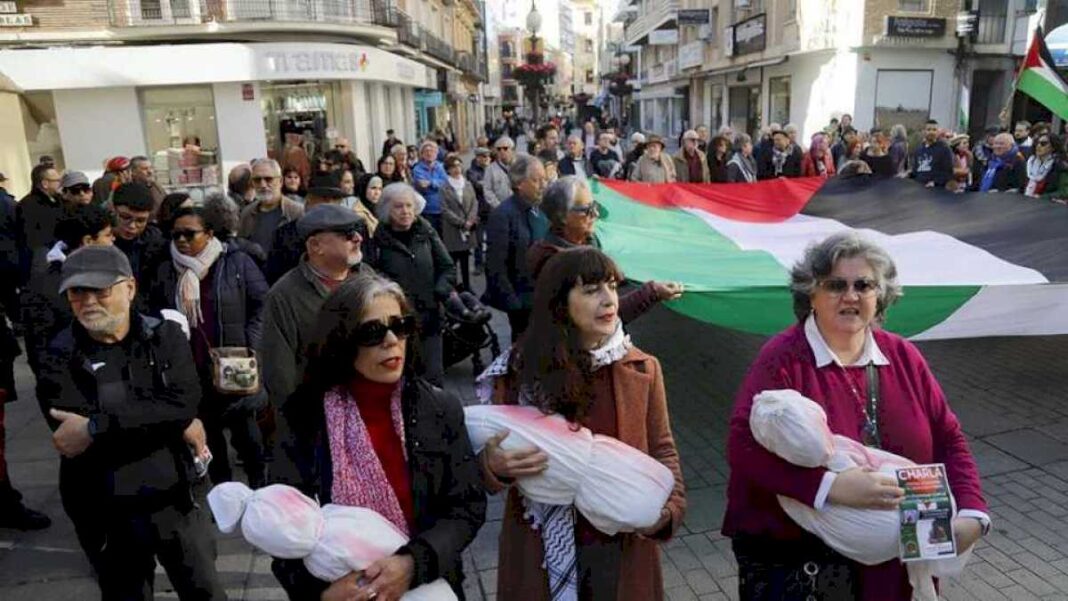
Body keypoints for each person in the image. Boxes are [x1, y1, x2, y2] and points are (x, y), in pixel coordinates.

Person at [723, 232, 989, 600]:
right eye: (835, 285)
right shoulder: (783, 359)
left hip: (898, 564)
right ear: (810, 295)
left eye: (863, 284)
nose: (850, 296)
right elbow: (741, 447)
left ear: (879, 296)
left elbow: (949, 437)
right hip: (806, 567)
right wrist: (829, 488)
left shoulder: (904, 356)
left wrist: (973, 514)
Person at [479, 246, 686, 601]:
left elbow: (662, 449)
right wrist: (492, 466)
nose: (609, 300)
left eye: (611, 286)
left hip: (621, 546)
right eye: (591, 291)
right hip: (541, 546)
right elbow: (482, 455)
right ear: (560, 303)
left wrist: (667, 513)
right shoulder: (519, 372)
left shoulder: (643, 368)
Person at [270, 274, 485, 599]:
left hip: (429, 586)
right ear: (341, 340)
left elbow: (466, 507)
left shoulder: (438, 408)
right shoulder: (303, 416)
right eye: (372, 332)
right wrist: (320, 594)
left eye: (400, 326)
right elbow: (281, 524)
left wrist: (412, 564)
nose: (391, 340)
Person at [37, 245, 226, 599]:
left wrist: (96, 426)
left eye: (101, 290)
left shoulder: (164, 336)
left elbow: (184, 402)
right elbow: (68, 434)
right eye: (78, 292)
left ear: (130, 288)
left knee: (205, 591)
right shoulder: (58, 353)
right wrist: (167, 418)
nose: (88, 301)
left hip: (177, 500)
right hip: (106, 510)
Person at [150, 205, 270, 488]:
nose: (181, 241)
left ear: (209, 233)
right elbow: (155, 311)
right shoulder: (166, 268)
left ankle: (259, 490)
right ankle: (223, 493)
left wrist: (251, 346)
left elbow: (262, 304)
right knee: (208, 433)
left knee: (246, 430)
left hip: (233, 361)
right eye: (176, 234)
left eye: (189, 234)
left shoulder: (236, 261)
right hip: (190, 365)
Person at [258, 205, 371, 481]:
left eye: (357, 231)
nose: (357, 238)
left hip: (369, 414)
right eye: (346, 234)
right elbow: (280, 375)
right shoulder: (284, 295)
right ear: (315, 245)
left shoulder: (370, 280)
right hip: (317, 427)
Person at [527, 176, 683, 322]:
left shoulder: (589, 242)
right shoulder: (555, 262)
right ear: (562, 216)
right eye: (586, 210)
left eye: (595, 206)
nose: (595, 214)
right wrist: (652, 292)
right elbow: (605, 315)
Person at [370, 183, 456, 385]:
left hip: (430, 318)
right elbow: (372, 279)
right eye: (398, 207)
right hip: (397, 325)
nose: (405, 211)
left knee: (433, 377)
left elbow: (448, 267)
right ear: (386, 211)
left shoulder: (426, 232)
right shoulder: (379, 241)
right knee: (404, 379)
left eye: (409, 206)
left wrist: (438, 292)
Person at [21, 204, 115, 378]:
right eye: (108, 235)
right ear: (88, 241)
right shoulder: (45, 288)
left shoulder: (112, 273)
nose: (113, 241)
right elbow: (40, 352)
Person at [485, 154, 549, 342]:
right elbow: (496, 266)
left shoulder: (543, 210)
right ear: (520, 184)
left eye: (544, 179)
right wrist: (514, 304)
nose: (543, 184)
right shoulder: (503, 215)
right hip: (522, 302)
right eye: (537, 180)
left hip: (546, 296)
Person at [265, 172, 359, 285]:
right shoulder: (284, 235)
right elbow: (274, 278)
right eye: (324, 199)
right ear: (308, 200)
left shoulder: (353, 232)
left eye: (335, 199)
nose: (329, 205)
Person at [112, 183, 167, 303]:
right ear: (113, 210)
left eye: (140, 220)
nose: (132, 226)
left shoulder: (155, 242)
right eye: (125, 217)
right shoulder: (97, 239)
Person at [239, 158, 305, 254]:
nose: (263, 185)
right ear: (252, 183)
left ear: (281, 181)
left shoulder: (297, 212)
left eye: (268, 179)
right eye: (257, 180)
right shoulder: (246, 214)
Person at [441, 156, 479, 292]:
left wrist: (470, 220)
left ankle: (467, 286)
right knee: (453, 260)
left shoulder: (467, 184)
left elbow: (475, 202)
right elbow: (445, 210)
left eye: (458, 165)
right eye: (452, 167)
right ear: (448, 170)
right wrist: (462, 223)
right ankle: (455, 287)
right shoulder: (444, 187)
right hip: (453, 229)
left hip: (468, 228)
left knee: (466, 258)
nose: (456, 169)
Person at [411, 140, 448, 234]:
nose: (429, 153)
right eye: (426, 151)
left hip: (443, 208)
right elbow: (422, 186)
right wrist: (437, 183)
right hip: (427, 209)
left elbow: (446, 183)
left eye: (432, 151)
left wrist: (431, 183)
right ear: (422, 154)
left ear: (436, 153)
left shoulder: (441, 167)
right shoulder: (417, 169)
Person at [909, 120, 954, 189]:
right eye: (929, 129)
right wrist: (908, 174)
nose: (931, 132)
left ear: (938, 132)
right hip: (919, 190)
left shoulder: (944, 149)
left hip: (936, 192)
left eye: (934, 130)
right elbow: (915, 171)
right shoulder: (918, 150)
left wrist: (935, 182)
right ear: (924, 131)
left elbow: (948, 173)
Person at [483, 135, 516, 210]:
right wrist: (500, 206)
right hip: (499, 209)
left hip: (517, 208)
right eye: (499, 149)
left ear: (512, 150)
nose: (502, 151)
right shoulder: (490, 169)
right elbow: (487, 191)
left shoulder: (519, 166)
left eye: (505, 148)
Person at [1024, 133, 1059, 197]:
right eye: (1037, 143)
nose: (1038, 146)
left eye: (1043, 144)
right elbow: (1021, 186)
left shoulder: (1058, 166)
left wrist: (1043, 197)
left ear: (1053, 147)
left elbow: (1062, 192)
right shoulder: (1029, 162)